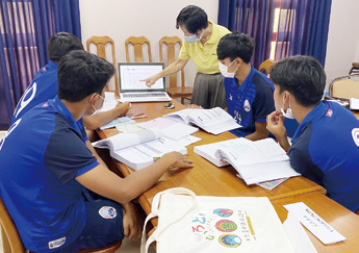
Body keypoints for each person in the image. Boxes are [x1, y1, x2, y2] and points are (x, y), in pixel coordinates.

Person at [0, 50, 193, 252]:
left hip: (34, 202)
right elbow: (124, 189)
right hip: (50, 228)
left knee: (126, 198)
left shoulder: (54, 110)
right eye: (102, 93)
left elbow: (91, 155)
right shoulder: (59, 137)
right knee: (128, 216)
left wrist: (126, 201)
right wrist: (167, 159)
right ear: (94, 98)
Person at [266, 55, 359, 213]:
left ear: (286, 97)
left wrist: (282, 142)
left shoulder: (304, 149)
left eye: (275, 89)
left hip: (340, 215)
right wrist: (282, 137)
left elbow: (301, 164)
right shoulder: (336, 108)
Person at [11, 32, 130, 131]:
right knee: (95, 135)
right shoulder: (63, 79)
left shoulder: (46, 71)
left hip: (21, 130)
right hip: (36, 135)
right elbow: (92, 123)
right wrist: (119, 110)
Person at [142, 5, 230, 109]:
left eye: (186, 33)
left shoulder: (224, 36)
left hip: (222, 80)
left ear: (200, 30)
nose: (185, 36)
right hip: (201, 79)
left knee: (218, 115)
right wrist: (157, 76)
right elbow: (179, 63)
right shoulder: (191, 39)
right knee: (196, 115)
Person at [216, 32, 275, 140]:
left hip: (252, 143)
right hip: (230, 133)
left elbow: (261, 134)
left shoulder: (262, 89)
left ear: (237, 62)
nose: (221, 66)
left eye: (223, 62)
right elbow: (231, 109)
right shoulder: (229, 78)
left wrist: (233, 144)